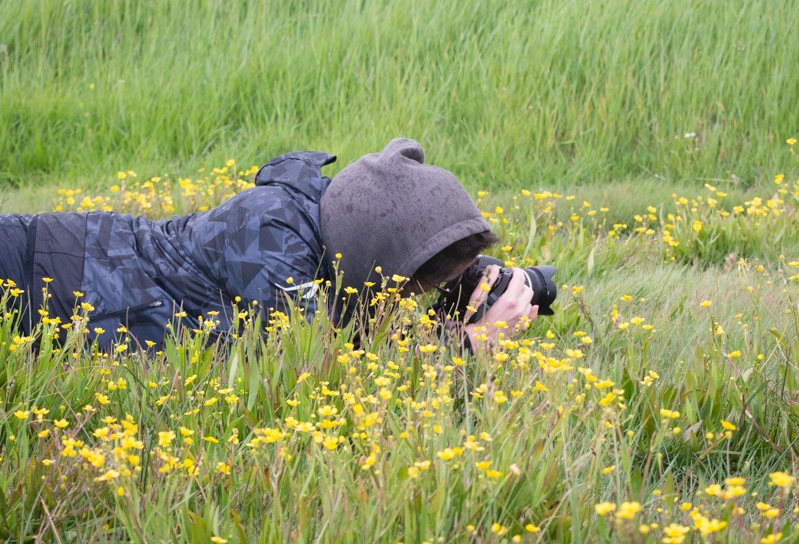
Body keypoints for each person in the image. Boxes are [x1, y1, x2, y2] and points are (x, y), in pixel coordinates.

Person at [0, 138, 538, 352]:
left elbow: (358, 316)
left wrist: (478, 287)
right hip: (36, 270)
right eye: (417, 289)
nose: (413, 299)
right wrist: (472, 345)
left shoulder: (335, 222)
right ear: (382, 264)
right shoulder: (273, 245)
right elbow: (325, 374)